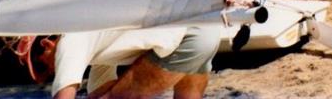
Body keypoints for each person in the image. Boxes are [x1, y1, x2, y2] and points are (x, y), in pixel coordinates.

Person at [51, 25, 221, 99]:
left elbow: (64, 96)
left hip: (186, 40)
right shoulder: (92, 27)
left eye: (42, 66)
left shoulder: (70, 41)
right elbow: (101, 86)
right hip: (203, 23)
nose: (51, 70)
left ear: (46, 44)